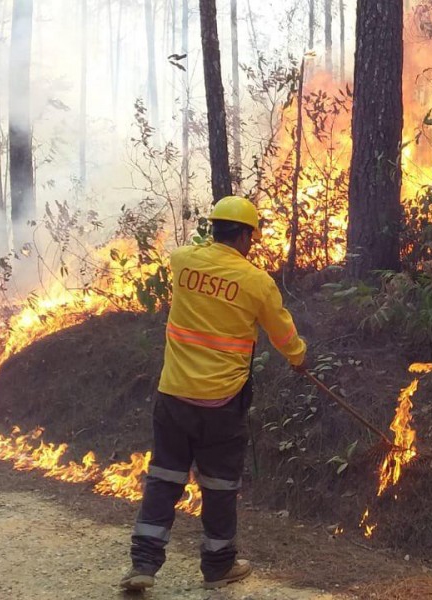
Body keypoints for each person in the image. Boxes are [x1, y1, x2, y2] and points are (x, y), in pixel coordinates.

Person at [119, 195, 307, 591]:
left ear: (213, 228)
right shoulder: (257, 282)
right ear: (244, 236)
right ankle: (219, 567)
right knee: (219, 486)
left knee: (164, 479)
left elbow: (188, 266)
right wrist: (298, 357)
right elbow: (282, 333)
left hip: (173, 395)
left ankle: (144, 566)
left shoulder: (184, 262)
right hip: (222, 402)